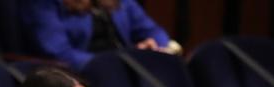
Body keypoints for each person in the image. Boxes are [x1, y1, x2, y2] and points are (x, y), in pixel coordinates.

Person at [20, 0, 180, 70]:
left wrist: (157, 48)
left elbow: (152, 30)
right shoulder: (43, 3)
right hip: (82, 73)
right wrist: (117, 63)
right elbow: (59, 52)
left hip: (126, 66)